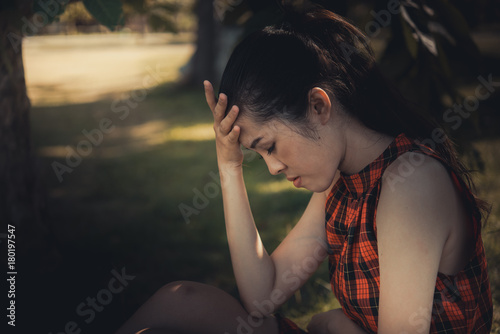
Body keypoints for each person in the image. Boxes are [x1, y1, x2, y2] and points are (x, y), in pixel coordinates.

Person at [116, 6, 492, 334]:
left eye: (270, 147)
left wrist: (337, 325)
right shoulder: (342, 186)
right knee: (180, 301)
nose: (274, 167)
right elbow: (263, 298)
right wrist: (229, 167)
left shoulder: (412, 183)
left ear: (319, 106)